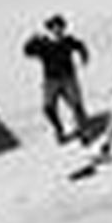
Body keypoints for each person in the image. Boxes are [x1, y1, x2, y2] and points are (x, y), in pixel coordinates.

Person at [24, 14, 91, 143]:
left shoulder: (68, 41)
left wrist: (84, 56)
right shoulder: (43, 44)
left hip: (68, 78)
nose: (57, 29)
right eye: (54, 27)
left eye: (59, 27)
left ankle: (84, 131)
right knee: (48, 108)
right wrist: (31, 40)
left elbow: (80, 46)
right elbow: (27, 51)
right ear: (50, 29)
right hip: (51, 81)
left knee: (76, 105)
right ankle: (59, 129)